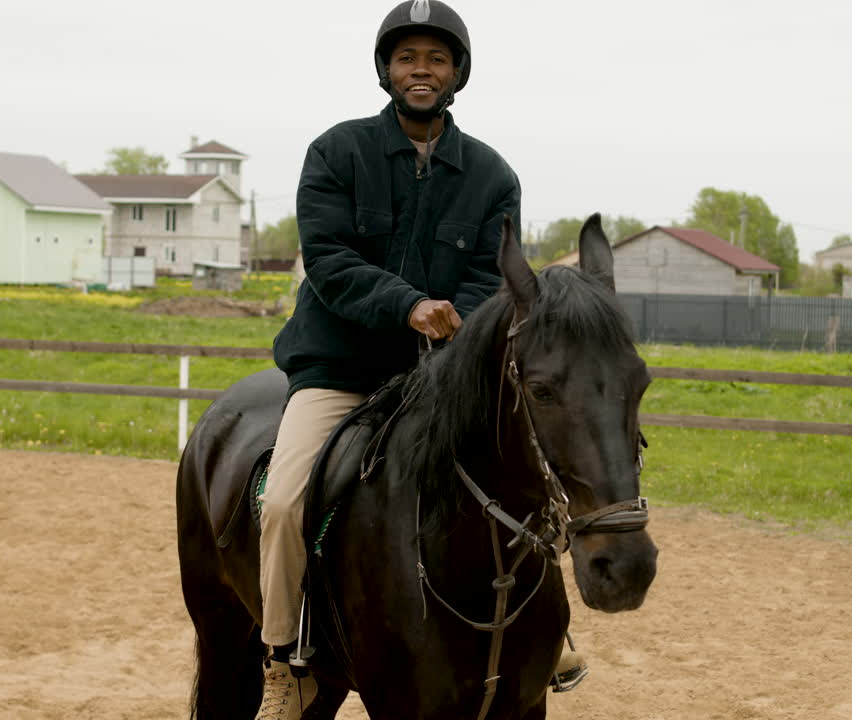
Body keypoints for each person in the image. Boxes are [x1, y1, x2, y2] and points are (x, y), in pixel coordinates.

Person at [255, 2, 580, 717]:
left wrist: (455, 329)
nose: (421, 71)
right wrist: (406, 305)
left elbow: (493, 279)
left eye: (435, 59)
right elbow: (331, 260)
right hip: (339, 369)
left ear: (457, 72)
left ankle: (545, 631)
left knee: (535, 485)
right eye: (408, 59)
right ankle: (285, 663)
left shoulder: (493, 176)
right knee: (281, 503)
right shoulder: (337, 153)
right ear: (387, 70)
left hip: (442, 376)